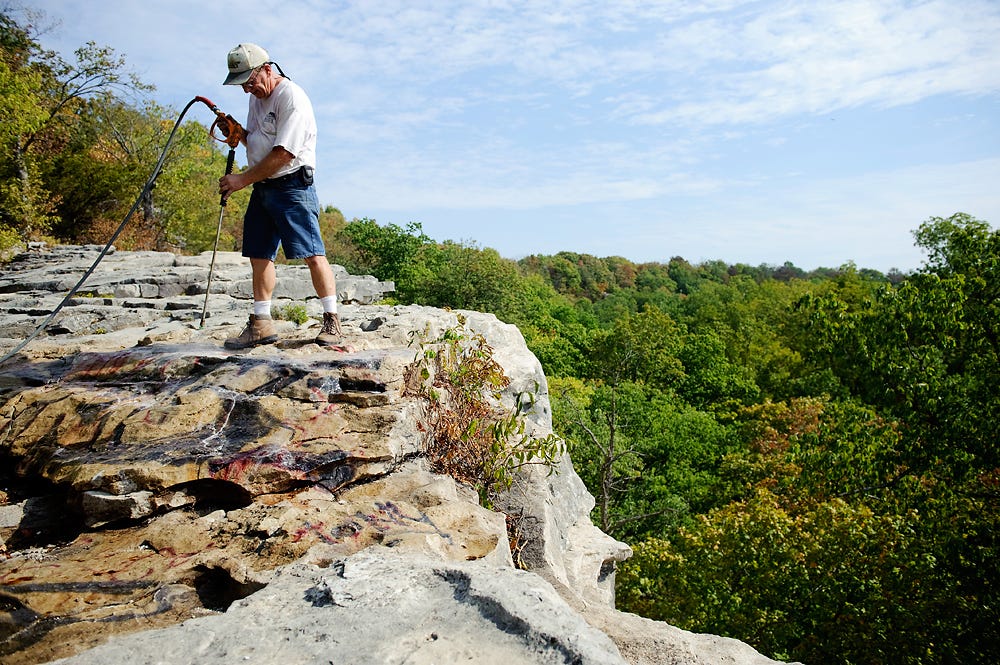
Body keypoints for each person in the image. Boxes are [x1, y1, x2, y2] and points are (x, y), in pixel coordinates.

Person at [218, 42, 344, 350]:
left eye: (250, 81)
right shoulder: (257, 99)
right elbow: (259, 142)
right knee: (259, 254)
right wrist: (237, 132)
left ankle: (332, 322)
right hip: (264, 185)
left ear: (267, 69)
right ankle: (261, 323)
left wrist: (240, 181)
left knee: (312, 253)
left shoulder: (292, 98)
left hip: (293, 185)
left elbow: (284, 153)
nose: (248, 90)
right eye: (241, 85)